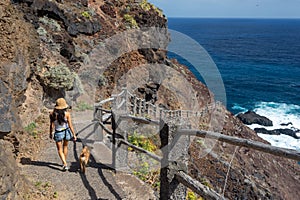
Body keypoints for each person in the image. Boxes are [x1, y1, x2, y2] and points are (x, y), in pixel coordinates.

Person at [49, 98, 77, 171]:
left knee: (59, 149)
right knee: (65, 146)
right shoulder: (67, 114)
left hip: (58, 132)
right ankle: (64, 162)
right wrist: (74, 134)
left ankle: (64, 163)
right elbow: (70, 125)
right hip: (66, 131)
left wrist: (50, 133)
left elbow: (51, 125)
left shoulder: (52, 114)